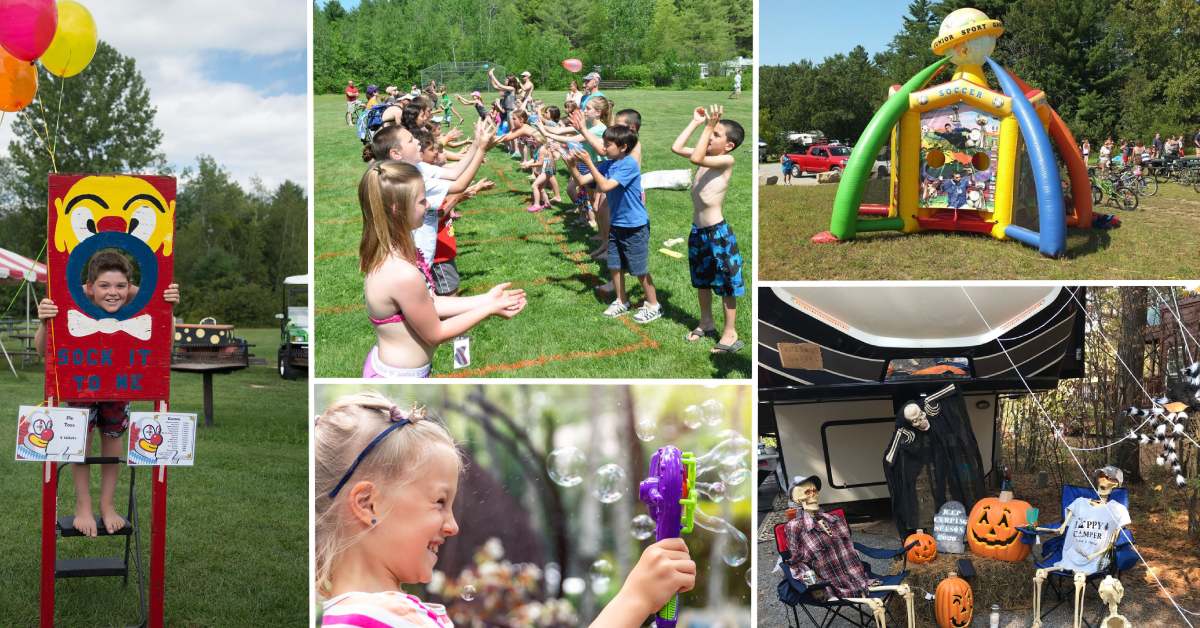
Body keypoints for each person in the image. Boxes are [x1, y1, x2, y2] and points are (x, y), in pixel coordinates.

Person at [316, 392, 696, 627]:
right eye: (439, 502)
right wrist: (634, 600)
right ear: (368, 504)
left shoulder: (387, 614)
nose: (453, 526)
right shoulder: (363, 622)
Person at [34, 252, 180, 537]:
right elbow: (42, 352)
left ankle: (107, 504)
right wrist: (43, 322)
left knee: (113, 440)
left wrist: (166, 306)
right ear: (89, 287)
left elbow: (166, 342)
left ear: (130, 287)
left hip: (120, 384)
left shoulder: (135, 303)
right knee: (80, 443)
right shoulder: (75, 303)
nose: (113, 292)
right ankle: (83, 505)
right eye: (104, 286)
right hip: (81, 384)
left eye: (120, 286)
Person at [356, 160, 526, 378]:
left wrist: (486, 298)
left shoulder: (399, 250)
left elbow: (429, 302)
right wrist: (489, 309)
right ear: (397, 209)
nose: (428, 205)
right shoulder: (400, 273)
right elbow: (435, 333)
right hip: (399, 377)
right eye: (421, 201)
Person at [566, 126, 661, 323]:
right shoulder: (609, 164)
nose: (604, 147)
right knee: (615, 265)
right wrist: (572, 165)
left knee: (639, 269)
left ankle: (653, 305)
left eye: (607, 144)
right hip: (617, 224)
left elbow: (606, 186)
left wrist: (589, 162)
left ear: (623, 147)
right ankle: (621, 300)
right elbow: (583, 180)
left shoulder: (629, 164)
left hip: (634, 226)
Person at [671, 104, 746, 353]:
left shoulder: (726, 160)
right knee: (701, 281)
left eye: (716, 134)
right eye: (711, 133)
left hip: (717, 234)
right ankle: (706, 322)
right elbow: (677, 148)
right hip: (698, 232)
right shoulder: (706, 155)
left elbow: (695, 157)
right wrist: (696, 123)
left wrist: (710, 125)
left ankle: (730, 333)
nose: (710, 134)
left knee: (726, 285)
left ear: (728, 145)